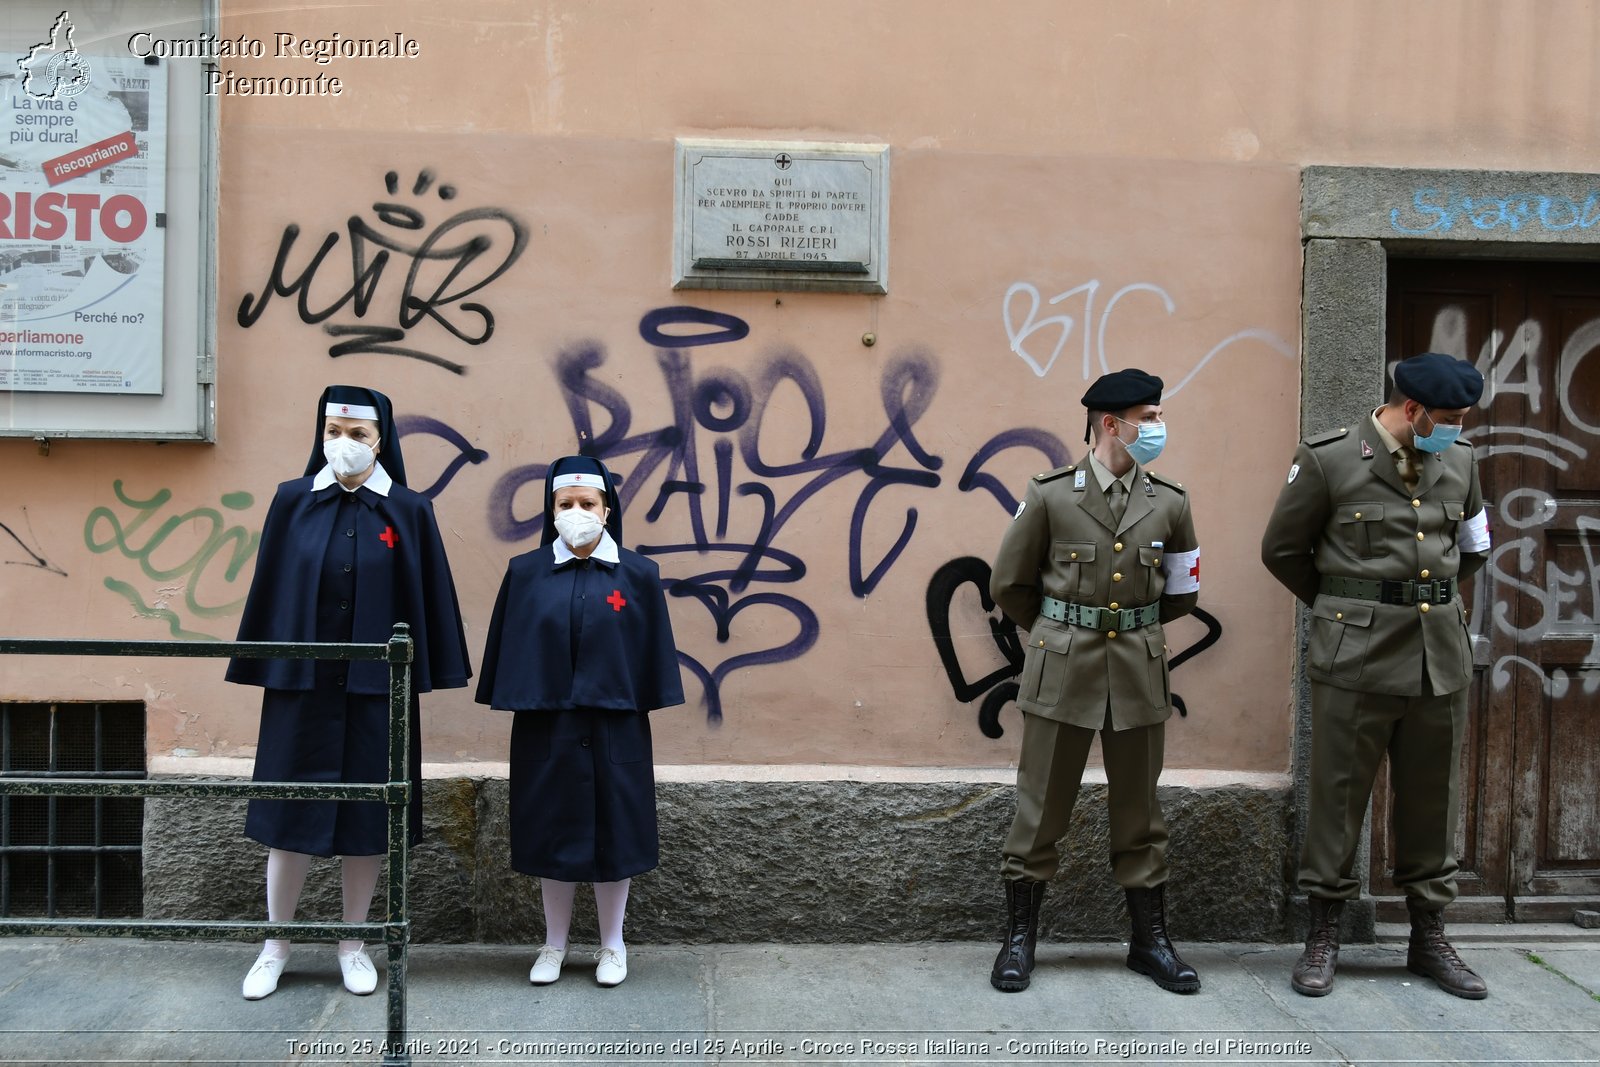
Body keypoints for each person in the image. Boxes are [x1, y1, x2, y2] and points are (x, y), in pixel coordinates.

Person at [226, 385, 471, 1000]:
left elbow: (428, 593)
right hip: (301, 688)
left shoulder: (409, 511)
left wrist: (424, 668)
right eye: (334, 431)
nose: (344, 444)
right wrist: (265, 661)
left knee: (369, 821)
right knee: (289, 818)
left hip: (375, 693)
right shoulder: (291, 502)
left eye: (357, 435)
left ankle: (353, 943)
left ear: (381, 441)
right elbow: (271, 589)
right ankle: (275, 944)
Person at [1261, 352, 1491, 1000]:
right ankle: (1324, 932)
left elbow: (1473, 547)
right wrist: (1345, 609)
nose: (1457, 428)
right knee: (1337, 797)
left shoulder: (1462, 461)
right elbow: (1281, 550)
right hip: (1354, 659)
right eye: (1448, 418)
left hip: (1436, 657)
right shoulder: (1330, 459)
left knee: (1431, 800)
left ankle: (1428, 936)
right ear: (1412, 410)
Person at [987, 368, 1202, 994]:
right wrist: (1061, 631)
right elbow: (1010, 584)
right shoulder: (1051, 494)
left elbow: (1184, 591)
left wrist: (1131, 627)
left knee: (1141, 812)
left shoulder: (1170, 500)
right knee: (1041, 808)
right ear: (1112, 424)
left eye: (1158, 417)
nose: (1158, 428)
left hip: (1138, 671)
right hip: (1063, 671)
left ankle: (1150, 943)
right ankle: (1020, 940)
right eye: (1149, 417)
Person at [476, 456, 684, 988]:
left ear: (607, 509)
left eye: (586, 504)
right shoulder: (526, 573)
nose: (576, 512)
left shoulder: (638, 574)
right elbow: (508, 646)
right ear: (551, 511)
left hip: (616, 726)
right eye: (564, 505)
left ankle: (613, 945)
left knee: (616, 834)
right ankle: (554, 944)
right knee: (552, 832)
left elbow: (652, 651)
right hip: (548, 725)